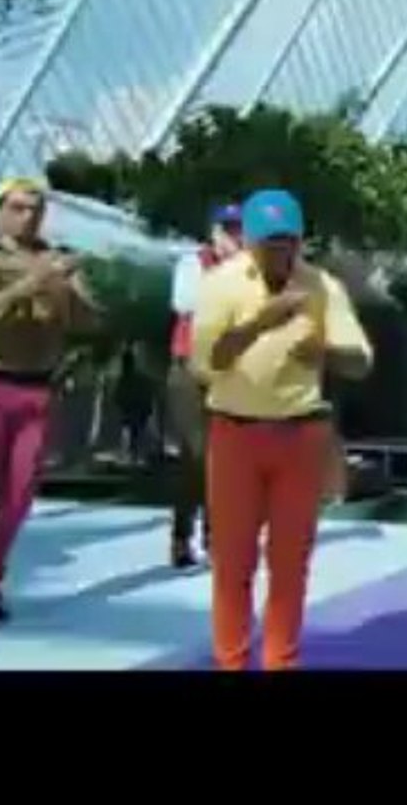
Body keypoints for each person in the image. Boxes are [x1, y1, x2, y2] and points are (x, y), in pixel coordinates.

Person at [190, 188, 372, 671]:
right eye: (270, 242)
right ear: (249, 241)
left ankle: (281, 660)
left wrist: (324, 353)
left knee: (290, 562)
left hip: (300, 433)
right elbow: (205, 363)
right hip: (235, 433)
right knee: (233, 561)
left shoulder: (323, 287)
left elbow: (361, 361)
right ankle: (231, 661)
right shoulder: (221, 284)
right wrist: (259, 324)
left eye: (288, 241)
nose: (280, 251)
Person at [0, 177, 101, 627]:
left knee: (19, 492)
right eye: (17, 207)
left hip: (36, 388)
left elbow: (89, 321)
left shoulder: (55, 258)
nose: (26, 217)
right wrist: (31, 283)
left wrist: (66, 289)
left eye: (34, 209)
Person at [165, 202, 242, 569]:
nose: (235, 239)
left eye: (240, 231)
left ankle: (217, 538)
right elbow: (185, 303)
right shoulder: (192, 264)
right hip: (190, 370)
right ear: (214, 233)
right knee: (195, 455)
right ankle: (182, 535)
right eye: (228, 231)